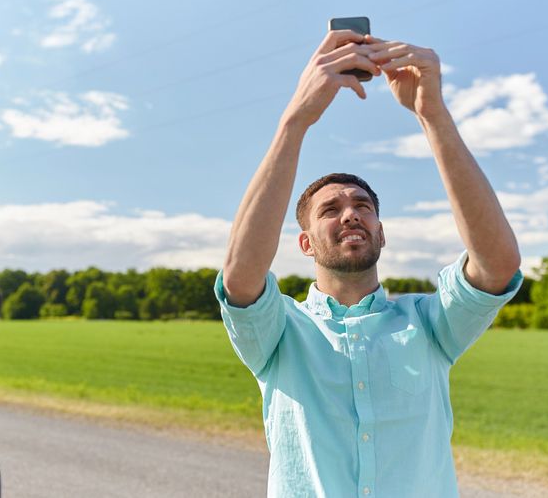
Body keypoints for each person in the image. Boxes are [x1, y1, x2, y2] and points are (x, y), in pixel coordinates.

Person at [214, 29, 523, 498]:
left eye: (363, 206)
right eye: (330, 209)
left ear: (381, 232)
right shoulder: (280, 333)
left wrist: (431, 114)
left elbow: (498, 265)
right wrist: (295, 120)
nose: (350, 212)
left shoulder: (429, 325)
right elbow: (240, 277)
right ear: (305, 244)